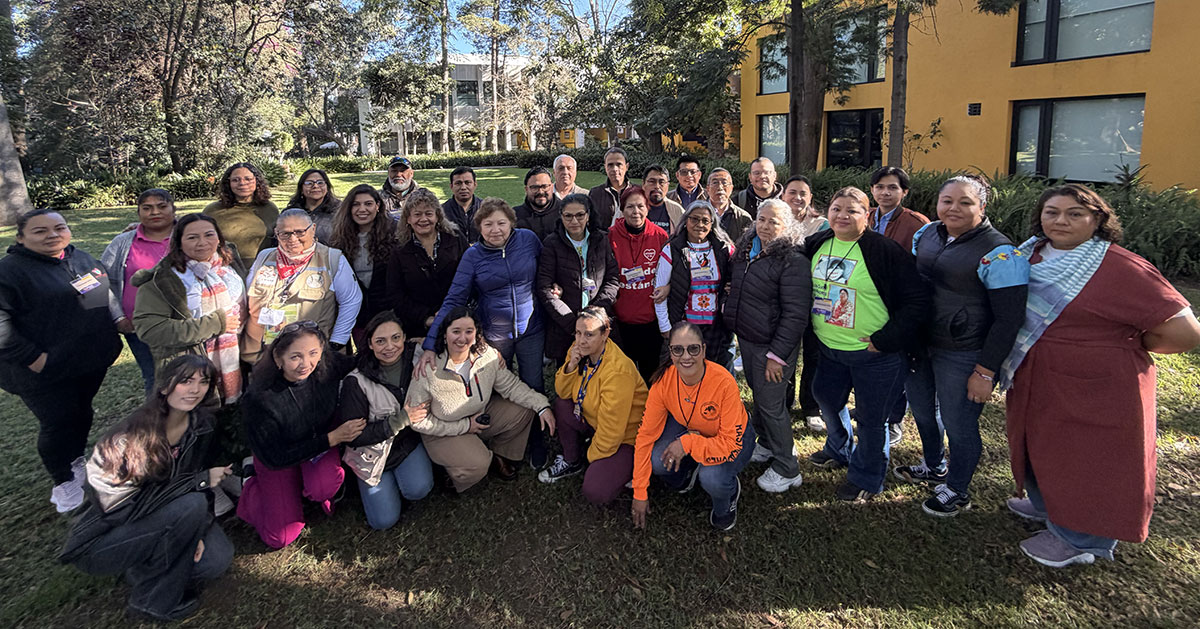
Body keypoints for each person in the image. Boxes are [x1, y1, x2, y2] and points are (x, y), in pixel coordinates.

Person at [998, 184, 1200, 567]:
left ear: (1098, 220)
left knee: (1089, 457)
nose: (1061, 221)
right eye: (1052, 212)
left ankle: (1081, 539)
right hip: (1037, 373)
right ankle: (1048, 505)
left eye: (1075, 213)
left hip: (1099, 386)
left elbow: (1185, 332)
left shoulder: (1119, 266)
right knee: (1040, 444)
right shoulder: (1030, 254)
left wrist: (1117, 346)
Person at [891, 175, 1029, 517]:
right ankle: (933, 466)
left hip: (963, 351)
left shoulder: (1000, 254)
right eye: (947, 201)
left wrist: (985, 371)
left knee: (959, 423)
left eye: (965, 202)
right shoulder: (926, 234)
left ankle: (957, 488)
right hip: (920, 342)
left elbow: (1008, 319)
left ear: (982, 206)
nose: (954, 208)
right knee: (922, 410)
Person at [59, 355, 233, 622]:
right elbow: (117, 509)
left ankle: (146, 565)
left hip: (170, 518)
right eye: (186, 381)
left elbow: (199, 490)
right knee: (191, 504)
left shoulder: (202, 426)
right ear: (164, 386)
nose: (195, 389)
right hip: (105, 537)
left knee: (216, 560)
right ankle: (151, 603)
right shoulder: (125, 439)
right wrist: (194, 485)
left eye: (203, 382)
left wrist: (194, 530)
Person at [805, 186, 929, 502]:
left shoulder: (884, 251)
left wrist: (886, 339)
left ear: (867, 215)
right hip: (829, 349)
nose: (842, 215)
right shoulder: (818, 243)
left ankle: (867, 478)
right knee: (826, 398)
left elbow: (916, 300)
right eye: (836, 209)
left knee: (872, 420)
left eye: (852, 210)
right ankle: (839, 448)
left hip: (875, 355)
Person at [0, 209, 123, 512]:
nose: (52, 235)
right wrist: (33, 358)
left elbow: (99, 298)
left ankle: (76, 461)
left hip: (86, 361)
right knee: (57, 422)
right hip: (39, 369)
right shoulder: (9, 272)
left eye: (59, 228)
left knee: (81, 412)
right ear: (21, 237)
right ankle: (63, 481)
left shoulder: (79, 259)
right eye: (40, 231)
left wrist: (117, 323)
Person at [415, 198, 548, 465]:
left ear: (512, 223)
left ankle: (538, 438)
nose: (495, 230)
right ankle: (499, 442)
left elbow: (545, 272)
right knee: (495, 390)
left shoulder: (529, 240)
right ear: (479, 227)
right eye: (488, 225)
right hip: (495, 336)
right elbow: (454, 299)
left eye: (501, 223)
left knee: (534, 383)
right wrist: (430, 343)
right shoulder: (473, 256)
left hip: (531, 329)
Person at [238, 321, 360, 549]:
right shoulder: (259, 399)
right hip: (279, 457)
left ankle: (305, 489)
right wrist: (332, 438)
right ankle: (250, 484)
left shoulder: (328, 364)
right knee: (280, 537)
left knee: (323, 485)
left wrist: (418, 348)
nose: (306, 364)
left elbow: (361, 362)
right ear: (278, 358)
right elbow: (276, 457)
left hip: (317, 444)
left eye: (313, 353)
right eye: (295, 357)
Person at [406, 307, 554, 492]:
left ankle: (500, 454)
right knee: (479, 463)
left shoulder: (486, 356)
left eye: (469, 331)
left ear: (477, 335)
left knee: (524, 409)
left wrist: (542, 406)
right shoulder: (427, 368)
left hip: (478, 417)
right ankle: (455, 474)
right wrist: (465, 426)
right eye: (456, 331)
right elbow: (416, 421)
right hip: (442, 431)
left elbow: (511, 386)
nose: (462, 338)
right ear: (444, 335)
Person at [631, 322, 754, 531]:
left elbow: (730, 445)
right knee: (658, 459)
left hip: (733, 439)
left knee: (712, 477)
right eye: (678, 350)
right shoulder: (663, 382)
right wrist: (639, 491)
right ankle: (685, 476)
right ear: (670, 352)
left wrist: (687, 443)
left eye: (693, 349)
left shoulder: (724, 382)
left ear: (703, 350)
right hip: (691, 427)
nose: (686, 356)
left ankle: (728, 498)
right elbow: (645, 436)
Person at [724, 199, 811, 492]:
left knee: (772, 405)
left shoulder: (792, 260)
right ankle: (766, 443)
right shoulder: (748, 249)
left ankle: (788, 467)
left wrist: (777, 356)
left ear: (787, 226)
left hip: (772, 347)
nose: (765, 226)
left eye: (773, 222)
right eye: (761, 219)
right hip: (749, 339)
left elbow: (795, 315)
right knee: (760, 398)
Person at [132, 214, 246, 404]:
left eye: (209, 235)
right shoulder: (164, 280)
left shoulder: (229, 267)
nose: (202, 243)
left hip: (236, 361)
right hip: (189, 371)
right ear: (179, 242)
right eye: (192, 237)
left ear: (219, 238)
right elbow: (151, 330)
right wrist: (215, 324)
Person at [335, 312, 433, 530]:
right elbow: (355, 437)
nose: (390, 347)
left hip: (406, 444)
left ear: (404, 337)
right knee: (383, 521)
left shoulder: (418, 356)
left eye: (395, 338)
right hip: (371, 454)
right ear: (370, 344)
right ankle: (373, 487)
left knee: (419, 489)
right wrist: (399, 420)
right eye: (380, 341)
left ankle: (400, 484)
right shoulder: (356, 381)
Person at [539, 307, 646, 505]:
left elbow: (612, 432)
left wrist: (592, 456)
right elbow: (562, 392)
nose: (581, 340)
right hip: (595, 419)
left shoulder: (618, 371)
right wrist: (571, 366)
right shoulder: (579, 350)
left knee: (595, 490)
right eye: (578, 333)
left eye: (589, 334)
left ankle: (634, 470)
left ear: (605, 333)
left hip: (626, 438)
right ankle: (572, 460)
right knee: (562, 405)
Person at [242, 209, 362, 363]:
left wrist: (337, 341)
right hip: (266, 354)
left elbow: (351, 301)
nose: (293, 239)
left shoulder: (332, 259)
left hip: (313, 357)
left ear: (313, 229)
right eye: (285, 234)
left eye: (300, 232)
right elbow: (246, 299)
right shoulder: (264, 257)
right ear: (276, 233)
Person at [867, 165, 931, 443]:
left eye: (892, 187)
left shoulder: (916, 224)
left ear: (904, 192)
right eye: (880, 187)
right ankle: (876, 408)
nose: (885, 192)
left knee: (896, 362)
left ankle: (894, 419)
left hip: (899, 302)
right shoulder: (867, 216)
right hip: (870, 300)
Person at [101, 188, 177, 397]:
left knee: (189, 371)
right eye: (147, 208)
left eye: (162, 206)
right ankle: (156, 416)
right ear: (138, 212)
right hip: (139, 326)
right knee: (155, 377)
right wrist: (118, 317)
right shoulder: (123, 242)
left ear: (174, 210)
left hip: (185, 323)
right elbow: (103, 280)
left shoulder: (188, 235)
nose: (155, 212)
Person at [536, 194, 620, 363]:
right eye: (568, 216)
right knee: (570, 372)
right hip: (565, 326)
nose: (574, 221)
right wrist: (573, 324)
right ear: (561, 216)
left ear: (588, 215)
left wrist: (597, 314)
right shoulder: (551, 243)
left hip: (598, 322)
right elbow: (544, 287)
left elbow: (612, 278)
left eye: (580, 215)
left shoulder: (601, 239)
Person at [654, 201, 735, 369]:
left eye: (705, 220)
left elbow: (737, 277)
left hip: (715, 327)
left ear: (712, 224)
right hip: (683, 325)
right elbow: (659, 294)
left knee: (713, 372)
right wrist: (665, 327)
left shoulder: (723, 249)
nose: (700, 224)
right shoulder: (672, 249)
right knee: (684, 371)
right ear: (686, 221)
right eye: (694, 219)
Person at [388, 189, 469, 341]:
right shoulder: (399, 250)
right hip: (417, 328)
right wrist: (426, 318)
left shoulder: (455, 239)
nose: (423, 219)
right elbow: (396, 295)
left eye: (429, 213)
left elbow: (469, 278)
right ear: (408, 219)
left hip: (458, 322)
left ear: (438, 216)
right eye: (417, 214)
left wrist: (452, 312)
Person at [609, 185, 670, 384]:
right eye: (630, 207)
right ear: (622, 210)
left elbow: (672, 272)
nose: (636, 212)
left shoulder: (659, 236)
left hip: (650, 319)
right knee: (623, 374)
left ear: (647, 208)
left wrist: (668, 287)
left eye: (640, 206)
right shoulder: (610, 236)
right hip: (621, 320)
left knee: (649, 372)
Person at [781, 175, 827, 431]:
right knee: (785, 352)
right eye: (792, 192)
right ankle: (784, 402)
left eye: (803, 193)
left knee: (813, 355)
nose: (797, 198)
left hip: (815, 299)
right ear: (783, 195)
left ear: (810, 198)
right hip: (783, 299)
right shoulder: (775, 219)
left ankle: (811, 406)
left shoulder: (822, 225)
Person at [327, 184, 398, 346]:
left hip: (389, 312)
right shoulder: (339, 239)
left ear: (378, 206)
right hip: (358, 316)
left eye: (368, 204)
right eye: (356, 204)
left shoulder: (394, 234)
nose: (362, 209)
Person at [202, 162, 279, 268]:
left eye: (248, 179)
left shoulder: (270, 208)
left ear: (256, 181)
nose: (242, 183)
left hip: (262, 268)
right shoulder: (212, 211)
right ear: (228, 183)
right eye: (235, 180)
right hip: (225, 268)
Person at [286, 168, 340, 243]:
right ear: (301, 189)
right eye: (309, 183)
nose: (315, 186)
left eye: (320, 182)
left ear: (327, 187)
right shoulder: (290, 213)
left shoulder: (339, 211)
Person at [515, 166, 563, 242]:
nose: (540, 192)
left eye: (545, 186)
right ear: (526, 190)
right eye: (535, 187)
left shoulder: (565, 212)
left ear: (551, 187)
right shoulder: (515, 216)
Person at [588, 146, 631, 229]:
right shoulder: (595, 194)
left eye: (619, 164)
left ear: (627, 167)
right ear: (605, 167)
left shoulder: (637, 192)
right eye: (610, 165)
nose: (615, 169)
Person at [705, 168, 753, 242]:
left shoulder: (742, 217)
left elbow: (747, 244)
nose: (720, 187)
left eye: (724, 183)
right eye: (715, 183)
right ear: (708, 189)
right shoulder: (697, 213)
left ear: (731, 188)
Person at [641, 164, 684, 234]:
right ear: (643, 184)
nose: (657, 186)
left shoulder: (677, 211)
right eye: (652, 181)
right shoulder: (633, 209)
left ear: (667, 185)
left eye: (662, 182)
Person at [443, 166, 482, 241]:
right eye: (458, 183)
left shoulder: (485, 209)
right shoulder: (442, 212)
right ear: (451, 186)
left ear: (475, 184)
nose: (463, 187)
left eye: (468, 183)